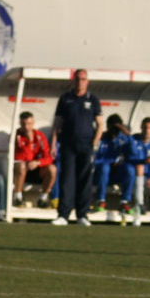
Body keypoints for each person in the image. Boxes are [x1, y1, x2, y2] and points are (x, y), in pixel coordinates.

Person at [49, 69, 102, 226]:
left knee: (85, 180)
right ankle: (63, 215)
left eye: (83, 79)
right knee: (67, 180)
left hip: (86, 146)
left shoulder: (92, 99)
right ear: (73, 80)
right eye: (78, 79)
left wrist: (94, 144)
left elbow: (100, 124)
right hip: (68, 145)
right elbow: (57, 123)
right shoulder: (65, 99)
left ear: (87, 81)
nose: (80, 82)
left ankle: (82, 215)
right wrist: (53, 143)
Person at [12, 110, 55, 208]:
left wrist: (38, 162)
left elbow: (48, 158)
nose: (26, 127)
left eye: (29, 124)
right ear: (20, 124)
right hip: (22, 171)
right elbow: (20, 157)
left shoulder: (40, 136)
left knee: (52, 169)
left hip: (37, 170)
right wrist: (29, 141)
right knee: (21, 165)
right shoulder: (17, 136)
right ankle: (18, 197)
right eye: (24, 124)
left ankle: (43, 198)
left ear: (33, 123)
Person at [91, 114, 131, 216]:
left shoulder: (123, 139)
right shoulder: (101, 138)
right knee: (105, 167)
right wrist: (109, 162)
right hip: (100, 174)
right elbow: (93, 159)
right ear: (108, 127)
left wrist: (127, 134)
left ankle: (125, 202)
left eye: (117, 129)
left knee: (130, 169)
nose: (115, 131)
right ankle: (101, 200)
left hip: (116, 174)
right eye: (113, 128)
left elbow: (134, 153)